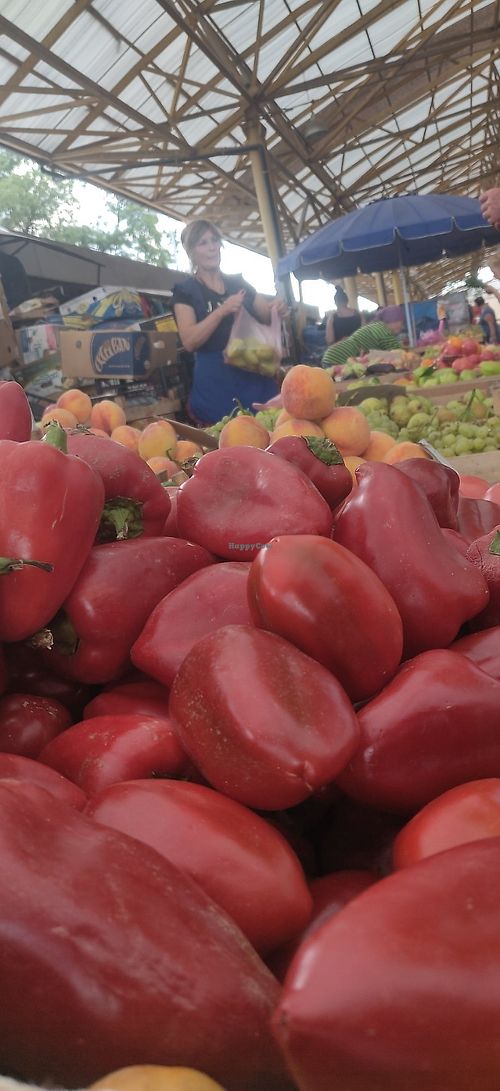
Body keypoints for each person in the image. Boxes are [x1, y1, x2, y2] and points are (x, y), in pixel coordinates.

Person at [172, 219, 287, 425]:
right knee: (229, 439)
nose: (212, 248)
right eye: (203, 243)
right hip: (217, 385)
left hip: (255, 376)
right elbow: (189, 341)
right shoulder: (186, 292)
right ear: (191, 251)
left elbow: (266, 313)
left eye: (214, 240)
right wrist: (222, 311)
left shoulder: (238, 284)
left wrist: (278, 308)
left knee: (270, 429)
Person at [322, 304, 405, 368]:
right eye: (400, 322)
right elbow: (400, 353)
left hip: (332, 354)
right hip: (338, 358)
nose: (401, 326)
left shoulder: (377, 326)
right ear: (392, 320)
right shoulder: (384, 332)